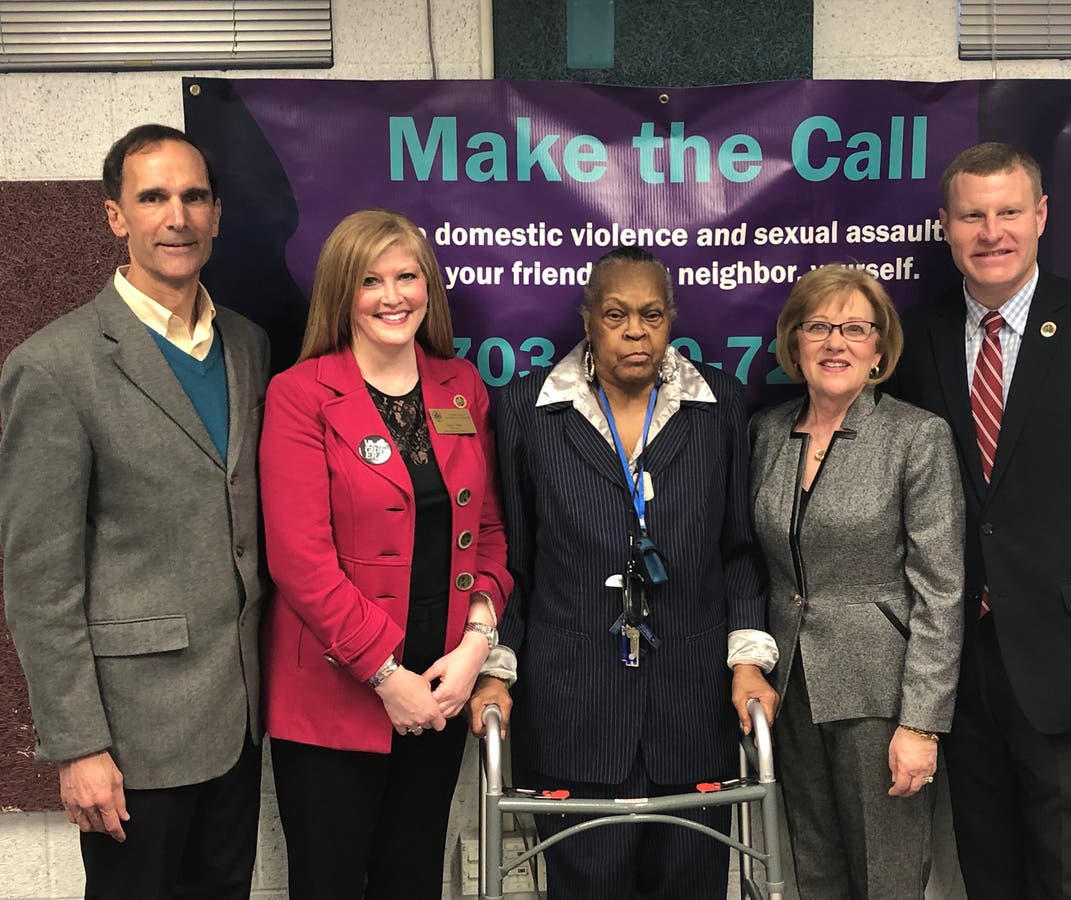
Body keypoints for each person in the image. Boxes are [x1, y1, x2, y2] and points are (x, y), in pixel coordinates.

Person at [887, 142, 1071, 900]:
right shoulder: (915, 339)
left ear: (1042, 215)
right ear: (946, 226)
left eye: (1009, 212)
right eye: (973, 216)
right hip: (961, 666)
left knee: (1068, 878)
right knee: (987, 875)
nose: (992, 232)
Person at [0, 124, 269, 898]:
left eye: (193, 196)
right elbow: (39, 582)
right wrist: (77, 746)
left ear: (217, 214)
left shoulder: (248, 345)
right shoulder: (54, 366)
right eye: (152, 198)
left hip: (238, 719)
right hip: (130, 741)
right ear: (116, 216)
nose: (176, 217)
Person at [467, 245, 779, 900]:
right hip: (572, 703)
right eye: (616, 315)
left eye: (651, 314)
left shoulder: (717, 402)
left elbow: (737, 550)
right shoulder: (529, 408)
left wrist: (749, 661)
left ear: (671, 319)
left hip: (693, 703)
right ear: (587, 321)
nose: (636, 331)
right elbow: (514, 560)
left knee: (692, 883)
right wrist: (495, 671)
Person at [258, 208, 512, 900]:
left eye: (407, 277)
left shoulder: (461, 386)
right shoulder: (300, 395)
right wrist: (385, 675)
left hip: (440, 688)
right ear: (342, 293)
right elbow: (300, 560)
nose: (392, 296)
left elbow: (489, 531)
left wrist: (474, 647)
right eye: (371, 280)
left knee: (413, 878)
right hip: (336, 694)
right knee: (330, 884)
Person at [748, 265, 964, 898]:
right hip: (791, 691)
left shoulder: (916, 436)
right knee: (814, 874)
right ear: (794, 343)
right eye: (818, 327)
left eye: (855, 329)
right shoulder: (767, 432)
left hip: (882, 699)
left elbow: (942, 590)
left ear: (879, 349)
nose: (834, 343)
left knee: (886, 880)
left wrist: (921, 723)